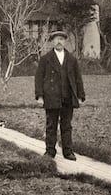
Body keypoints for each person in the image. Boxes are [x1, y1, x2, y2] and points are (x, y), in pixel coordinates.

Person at [34, 30, 85, 161]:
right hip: (51, 97)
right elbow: (39, 78)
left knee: (66, 125)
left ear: (65, 42)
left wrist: (80, 95)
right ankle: (50, 151)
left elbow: (78, 78)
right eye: (56, 39)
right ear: (52, 41)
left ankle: (68, 152)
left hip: (67, 97)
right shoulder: (46, 59)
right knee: (51, 125)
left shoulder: (72, 59)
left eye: (61, 39)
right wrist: (40, 96)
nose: (59, 41)